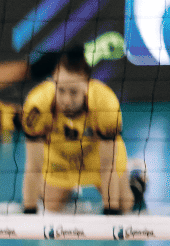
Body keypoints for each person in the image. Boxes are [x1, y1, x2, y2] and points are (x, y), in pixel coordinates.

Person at [21, 48, 132, 214]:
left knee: (124, 205)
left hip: (96, 157)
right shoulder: (37, 105)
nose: (66, 100)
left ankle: (136, 177)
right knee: (51, 207)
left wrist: (112, 212)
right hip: (60, 158)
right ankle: (67, 191)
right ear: (53, 82)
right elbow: (33, 166)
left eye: (73, 92)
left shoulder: (106, 104)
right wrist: (29, 211)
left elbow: (107, 166)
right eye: (61, 90)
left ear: (87, 85)